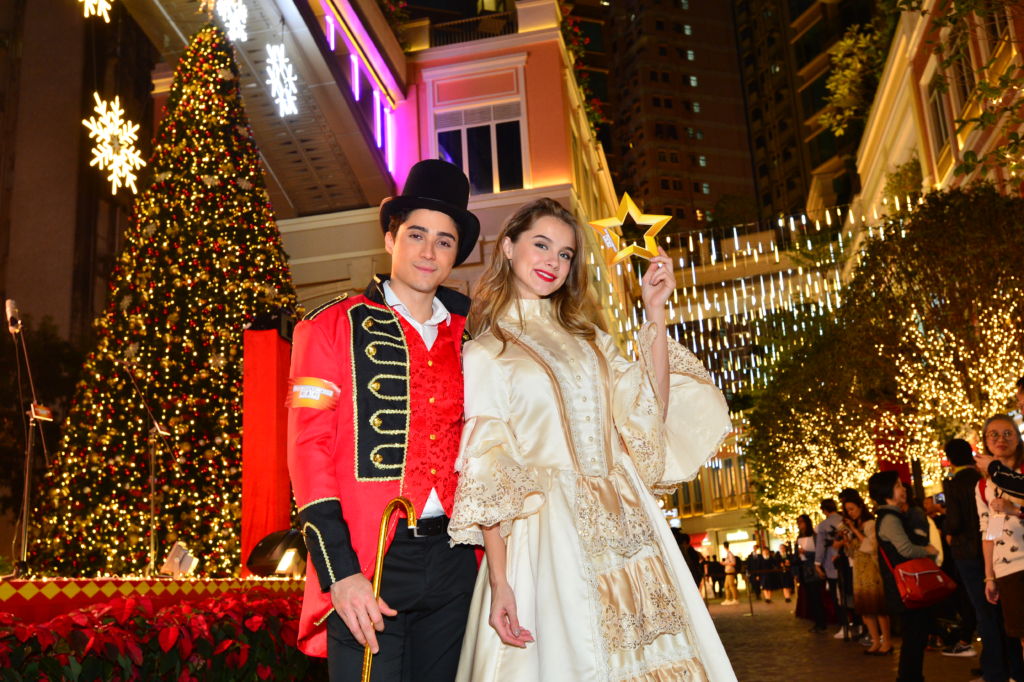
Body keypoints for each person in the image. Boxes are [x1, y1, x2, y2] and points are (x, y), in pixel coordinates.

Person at [448, 198, 737, 681]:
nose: (553, 262)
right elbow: (489, 466)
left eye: (565, 254)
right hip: (547, 533)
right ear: (510, 246)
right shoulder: (485, 349)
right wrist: (500, 583)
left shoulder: (591, 340)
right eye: (541, 245)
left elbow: (648, 413)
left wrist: (656, 314)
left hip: (627, 523)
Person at [286, 159, 481, 680]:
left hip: (459, 559)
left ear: (456, 254)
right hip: (370, 561)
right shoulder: (328, 326)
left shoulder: (477, 335)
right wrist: (339, 573)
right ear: (391, 237)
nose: (428, 251)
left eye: (444, 240)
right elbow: (308, 453)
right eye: (416, 234)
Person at [945, 438, 1020, 680]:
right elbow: (988, 528)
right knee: (1011, 622)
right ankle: (1011, 669)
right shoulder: (980, 486)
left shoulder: (957, 484)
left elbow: (957, 523)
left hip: (975, 556)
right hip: (998, 558)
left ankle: (996, 670)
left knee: (989, 616)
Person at [870, 471, 940, 682]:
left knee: (914, 637)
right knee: (913, 637)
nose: (903, 489)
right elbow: (906, 550)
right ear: (887, 492)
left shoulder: (891, 515)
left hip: (904, 586)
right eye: (899, 485)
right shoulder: (890, 518)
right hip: (905, 586)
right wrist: (928, 550)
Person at [977, 415, 1024, 657]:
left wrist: (1014, 510)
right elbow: (989, 530)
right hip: (1008, 567)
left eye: (1007, 433)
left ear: (1018, 438)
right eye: (993, 434)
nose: (1000, 439)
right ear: (986, 442)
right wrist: (989, 576)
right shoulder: (983, 486)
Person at [838, 494, 891, 655]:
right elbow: (852, 553)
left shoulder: (870, 524)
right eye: (847, 511)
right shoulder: (854, 527)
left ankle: (886, 642)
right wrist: (847, 540)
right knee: (866, 609)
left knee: (878, 607)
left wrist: (854, 530)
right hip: (859, 570)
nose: (851, 513)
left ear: (860, 507)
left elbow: (872, 546)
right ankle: (875, 641)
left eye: (852, 509)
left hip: (871, 569)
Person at [815, 499, 847, 637]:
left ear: (824, 510)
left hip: (831, 564)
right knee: (848, 594)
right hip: (847, 561)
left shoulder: (823, 526)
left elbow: (820, 547)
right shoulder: (845, 520)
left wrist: (817, 564)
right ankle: (856, 624)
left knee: (837, 596)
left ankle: (844, 625)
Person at [795, 513, 827, 631]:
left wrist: (806, 553)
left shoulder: (814, 536)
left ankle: (820, 622)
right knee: (811, 598)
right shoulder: (799, 537)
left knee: (816, 597)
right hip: (804, 570)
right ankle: (817, 621)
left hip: (813, 570)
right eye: (798, 522)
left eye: (801, 522)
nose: (799, 525)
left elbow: (819, 553)